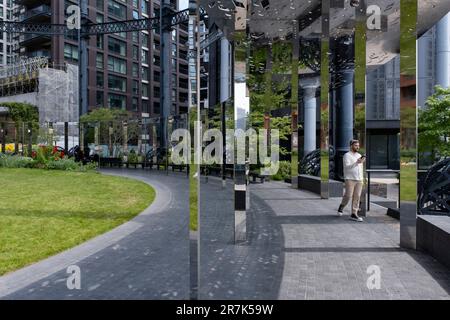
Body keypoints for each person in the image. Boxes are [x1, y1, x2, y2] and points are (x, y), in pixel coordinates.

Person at [337, 139, 365, 222]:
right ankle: (342, 206)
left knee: (357, 196)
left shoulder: (359, 155)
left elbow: (360, 168)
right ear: (351, 146)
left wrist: (362, 177)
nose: (357, 147)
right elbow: (347, 167)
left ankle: (354, 213)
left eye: (358, 145)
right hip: (350, 178)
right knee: (348, 195)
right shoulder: (347, 155)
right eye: (356, 145)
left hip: (359, 179)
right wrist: (357, 162)